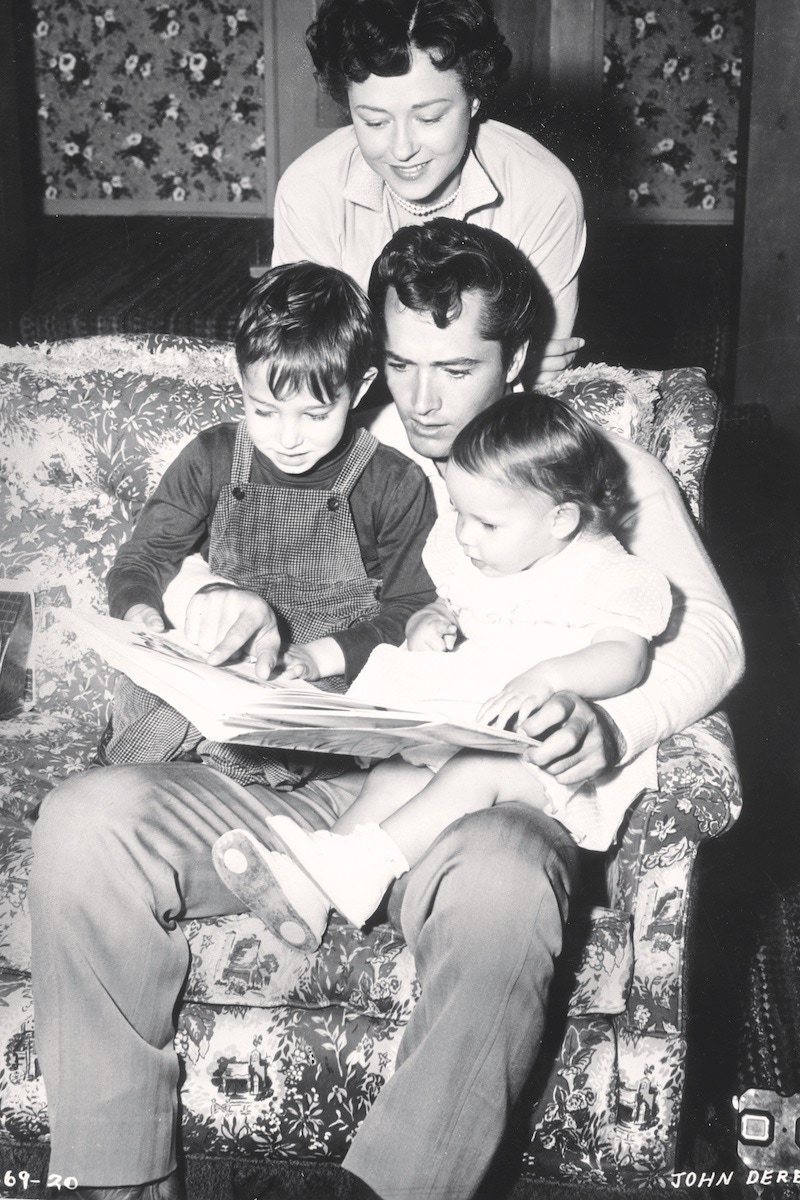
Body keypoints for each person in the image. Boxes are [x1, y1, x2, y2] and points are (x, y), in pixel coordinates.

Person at [29, 220, 743, 1200]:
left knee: (506, 884)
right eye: (401, 365)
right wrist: (209, 606)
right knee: (84, 824)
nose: (423, 397)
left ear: (520, 358)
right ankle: (116, 1181)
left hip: (460, 808)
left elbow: (706, 633)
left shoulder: (581, 467)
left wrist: (608, 723)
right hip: (280, 785)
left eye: (454, 367)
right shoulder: (324, 430)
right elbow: (180, 543)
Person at [213, 392, 673, 942]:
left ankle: (356, 868)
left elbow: (626, 657)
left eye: (485, 524)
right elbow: (447, 603)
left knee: (472, 774)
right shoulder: (477, 555)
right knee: (392, 775)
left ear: (562, 519)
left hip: (545, 761)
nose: (463, 535)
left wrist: (549, 677)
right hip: (470, 728)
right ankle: (311, 882)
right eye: (458, 512)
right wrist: (428, 621)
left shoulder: (602, 570)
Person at [100, 258, 437, 946]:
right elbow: (143, 559)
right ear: (239, 379)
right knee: (146, 722)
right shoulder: (213, 456)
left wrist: (321, 656)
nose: (287, 436)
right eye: (263, 410)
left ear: (361, 385)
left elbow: (408, 610)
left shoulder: (393, 483)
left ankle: (288, 864)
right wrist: (140, 613)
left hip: (313, 700)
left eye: (315, 413)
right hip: (217, 678)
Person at [271, 0, 585, 382]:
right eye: (373, 121)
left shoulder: (544, 194)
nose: (402, 149)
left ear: (474, 98)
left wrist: (367, 356)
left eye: (429, 117)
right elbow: (307, 381)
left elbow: (536, 386)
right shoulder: (307, 190)